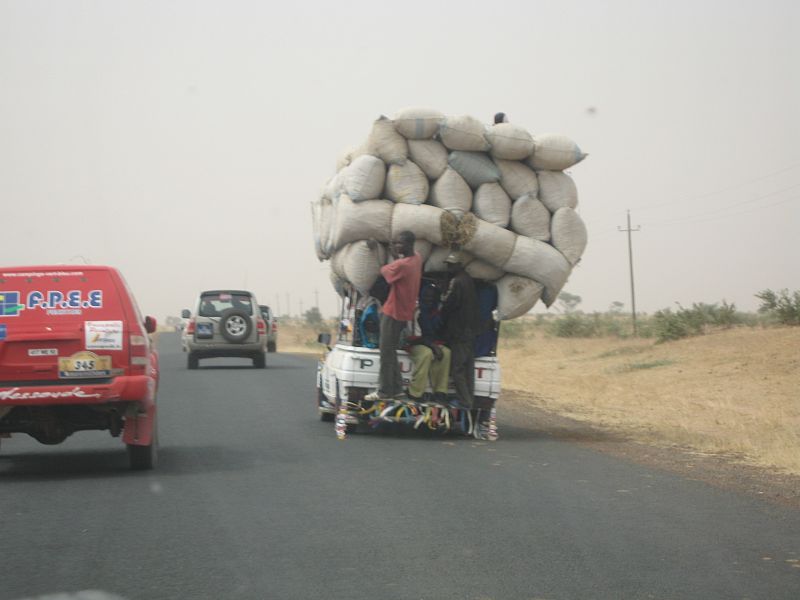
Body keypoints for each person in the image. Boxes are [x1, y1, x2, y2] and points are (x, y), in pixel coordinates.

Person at [364, 231, 423, 401]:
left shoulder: (402, 265)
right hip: (404, 313)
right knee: (390, 352)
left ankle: (383, 391)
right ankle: (397, 389)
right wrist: (396, 255)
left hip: (392, 312)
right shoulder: (417, 258)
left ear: (409, 244)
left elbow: (383, 270)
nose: (397, 246)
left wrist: (377, 250)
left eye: (400, 243)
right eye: (395, 243)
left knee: (386, 353)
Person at [440, 251, 481, 408]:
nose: (449, 268)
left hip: (460, 332)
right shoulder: (469, 280)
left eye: (451, 265)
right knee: (468, 368)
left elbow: (448, 304)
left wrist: (441, 295)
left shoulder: (456, 282)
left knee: (457, 368)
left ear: (458, 266)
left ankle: (464, 401)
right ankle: (469, 399)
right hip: (471, 331)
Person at [404, 283, 451, 402]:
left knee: (446, 353)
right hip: (415, 344)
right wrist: (433, 346)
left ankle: (440, 392)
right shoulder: (416, 312)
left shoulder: (438, 312)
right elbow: (415, 337)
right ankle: (415, 392)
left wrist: (438, 345)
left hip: (433, 343)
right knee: (426, 353)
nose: (429, 300)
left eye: (432, 298)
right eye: (426, 297)